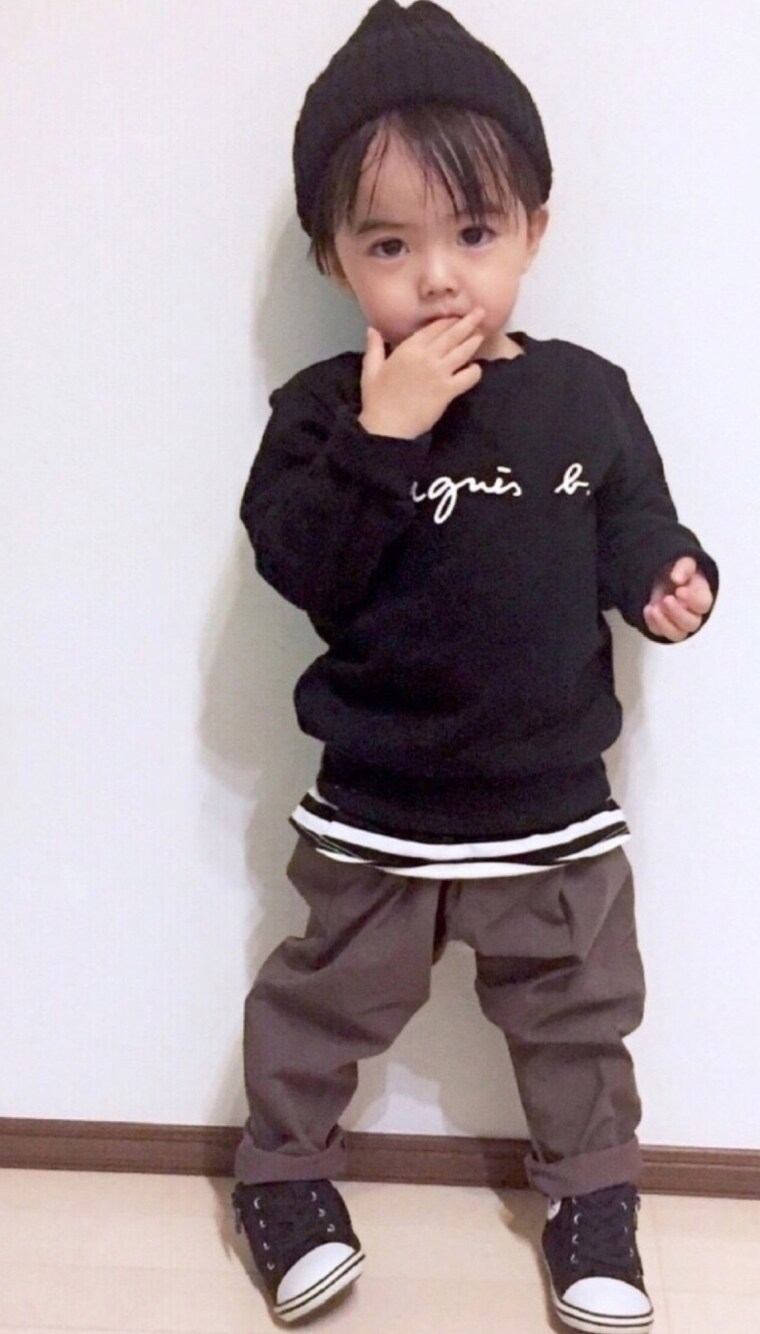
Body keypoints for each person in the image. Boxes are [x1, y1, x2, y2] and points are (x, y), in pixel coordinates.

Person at [230, 2, 718, 1331]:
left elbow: (632, 517)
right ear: (334, 256)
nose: (439, 278)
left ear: (534, 232)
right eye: (390, 244)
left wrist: (664, 576)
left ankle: (593, 1198)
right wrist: (383, 437)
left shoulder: (583, 394)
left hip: (551, 801)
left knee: (579, 1017)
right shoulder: (324, 412)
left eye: (475, 233)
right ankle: (283, 1173)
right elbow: (302, 568)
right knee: (324, 1000)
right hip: (379, 798)